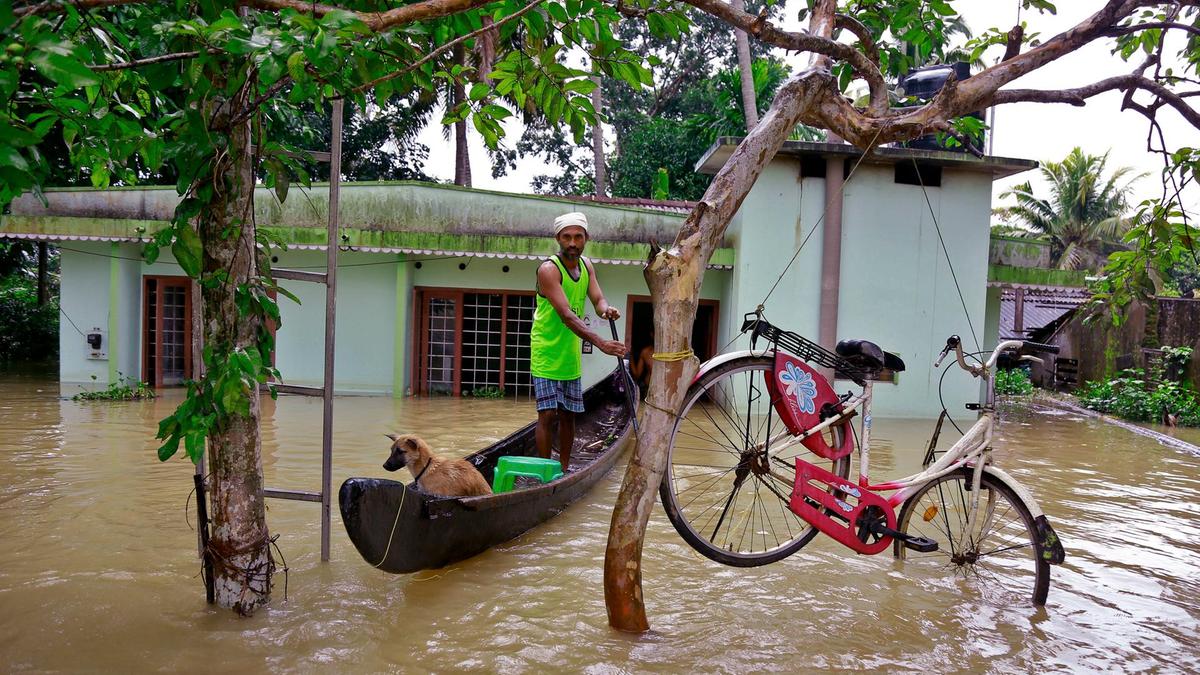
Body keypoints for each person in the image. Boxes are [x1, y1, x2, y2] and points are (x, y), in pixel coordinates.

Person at [531, 212, 627, 472]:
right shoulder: (549, 270)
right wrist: (602, 343)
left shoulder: (587, 266)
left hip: (570, 353)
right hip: (546, 351)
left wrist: (607, 309)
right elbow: (566, 315)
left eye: (578, 237)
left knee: (569, 415)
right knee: (548, 415)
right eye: (567, 237)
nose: (572, 242)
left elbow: (598, 300)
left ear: (586, 238)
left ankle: (562, 469)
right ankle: (543, 470)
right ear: (558, 239)